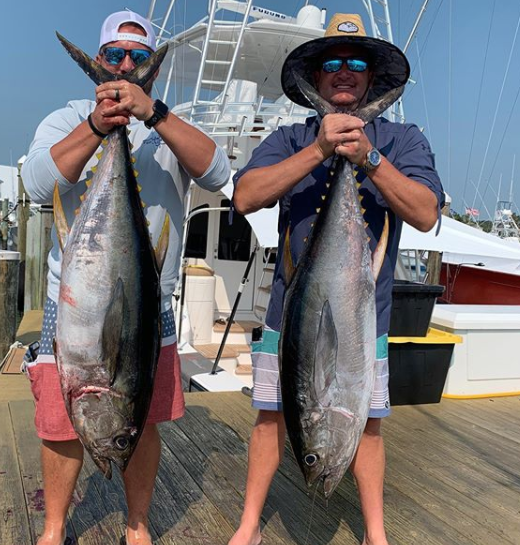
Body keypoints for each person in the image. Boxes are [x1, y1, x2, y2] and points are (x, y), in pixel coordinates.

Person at [229, 13, 444, 545]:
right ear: (316, 77)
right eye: (332, 64)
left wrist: (368, 157)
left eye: (355, 63)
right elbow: (246, 196)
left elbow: (425, 213)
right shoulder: (290, 137)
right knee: (269, 416)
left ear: (371, 77)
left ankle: (376, 533)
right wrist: (321, 149)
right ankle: (249, 526)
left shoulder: (402, 140)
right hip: (289, 316)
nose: (344, 71)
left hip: (362, 320)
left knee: (369, 424)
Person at [22, 11, 230, 545]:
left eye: (139, 58)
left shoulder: (168, 125)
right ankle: (53, 529)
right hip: (72, 304)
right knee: (59, 423)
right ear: (98, 60)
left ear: (153, 70)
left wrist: (152, 113)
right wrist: (99, 126)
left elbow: (218, 173)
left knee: (143, 418)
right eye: (115, 55)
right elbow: (37, 184)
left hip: (148, 304)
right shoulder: (68, 117)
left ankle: (137, 526)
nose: (126, 66)